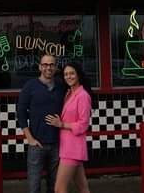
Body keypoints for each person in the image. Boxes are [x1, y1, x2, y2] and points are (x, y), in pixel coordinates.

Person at [17, 54, 65, 193]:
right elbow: (20, 112)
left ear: (56, 67)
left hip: (57, 143)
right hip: (37, 144)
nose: (48, 68)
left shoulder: (61, 86)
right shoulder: (30, 86)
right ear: (40, 67)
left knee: (54, 186)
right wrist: (30, 138)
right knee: (34, 186)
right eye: (45, 65)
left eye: (51, 65)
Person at [45, 63, 93, 193]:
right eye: (66, 74)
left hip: (73, 149)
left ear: (78, 75)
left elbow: (83, 124)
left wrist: (62, 124)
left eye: (72, 73)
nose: (68, 76)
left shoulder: (83, 96)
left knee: (59, 189)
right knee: (83, 188)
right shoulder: (69, 93)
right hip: (67, 146)